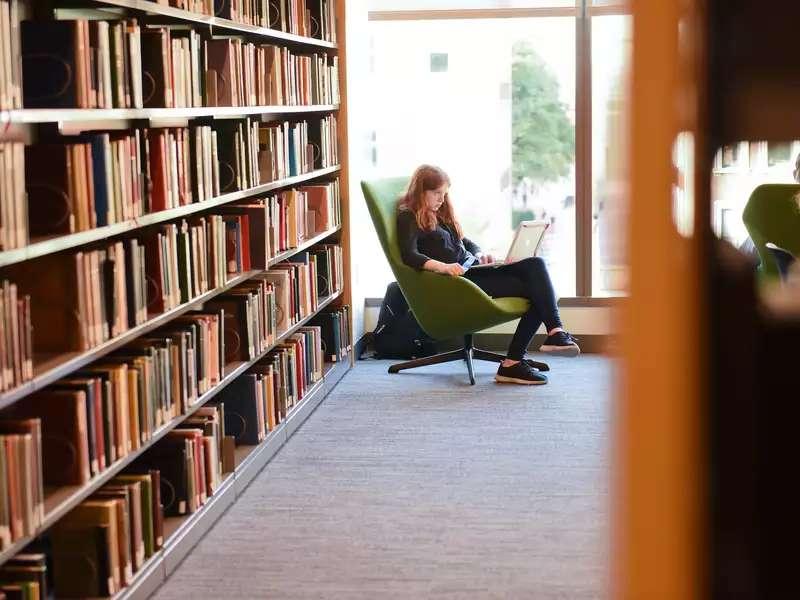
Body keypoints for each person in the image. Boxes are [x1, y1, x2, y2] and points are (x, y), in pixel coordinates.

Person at [396, 164, 580, 386]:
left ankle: (554, 332)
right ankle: (514, 362)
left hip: (475, 269)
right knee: (539, 292)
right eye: (437, 193)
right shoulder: (408, 216)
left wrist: (481, 254)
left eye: (444, 194)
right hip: (462, 282)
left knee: (535, 265)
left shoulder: (438, 213)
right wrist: (443, 267)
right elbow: (409, 255)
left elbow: (464, 242)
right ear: (420, 191)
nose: (442, 199)